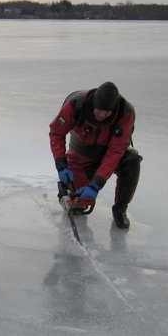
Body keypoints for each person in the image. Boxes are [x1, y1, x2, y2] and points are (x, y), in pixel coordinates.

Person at [49, 81, 141, 229]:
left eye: (107, 112)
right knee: (78, 204)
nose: (102, 115)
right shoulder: (76, 104)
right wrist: (61, 164)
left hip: (110, 152)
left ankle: (120, 208)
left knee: (132, 161)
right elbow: (56, 132)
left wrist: (96, 184)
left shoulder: (125, 112)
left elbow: (116, 151)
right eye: (99, 110)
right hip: (82, 154)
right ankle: (70, 187)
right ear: (93, 105)